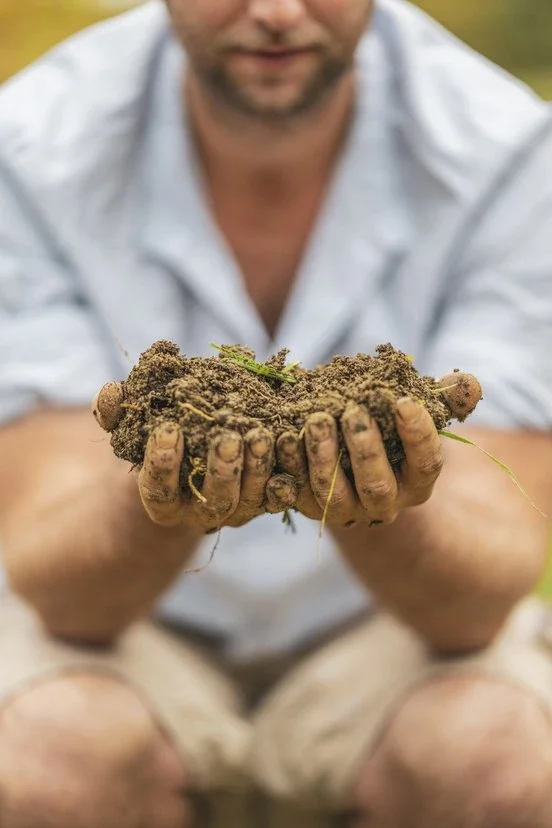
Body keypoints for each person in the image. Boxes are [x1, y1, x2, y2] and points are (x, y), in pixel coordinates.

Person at [1, 0, 552, 825]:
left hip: (381, 635)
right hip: (131, 638)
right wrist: (156, 490)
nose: (276, 13)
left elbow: (481, 600)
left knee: (494, 756)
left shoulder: (509, 154)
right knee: (49, 757)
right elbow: (57, 588)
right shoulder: (32, 146)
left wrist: (386, 498)